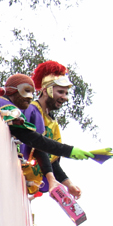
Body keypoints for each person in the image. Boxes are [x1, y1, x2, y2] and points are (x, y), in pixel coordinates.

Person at [0, 73, 93, 195]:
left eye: (32, 92)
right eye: (26, 91)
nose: (30, 97)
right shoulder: (8, 106)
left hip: (10, 173)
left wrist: (63, 182)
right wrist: (69, 151)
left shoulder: (50, 121)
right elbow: (33, 139)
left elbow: (40, 148)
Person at [22, 61, 86, 199]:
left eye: (66, 93)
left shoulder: (53, 124)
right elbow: (38, 145)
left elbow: (52, 159)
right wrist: (51, 179)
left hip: (28, 185)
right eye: (60, 92)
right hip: (16, 173)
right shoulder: (32, 111)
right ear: (45, 90)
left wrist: (68, 184)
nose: (64, 97)